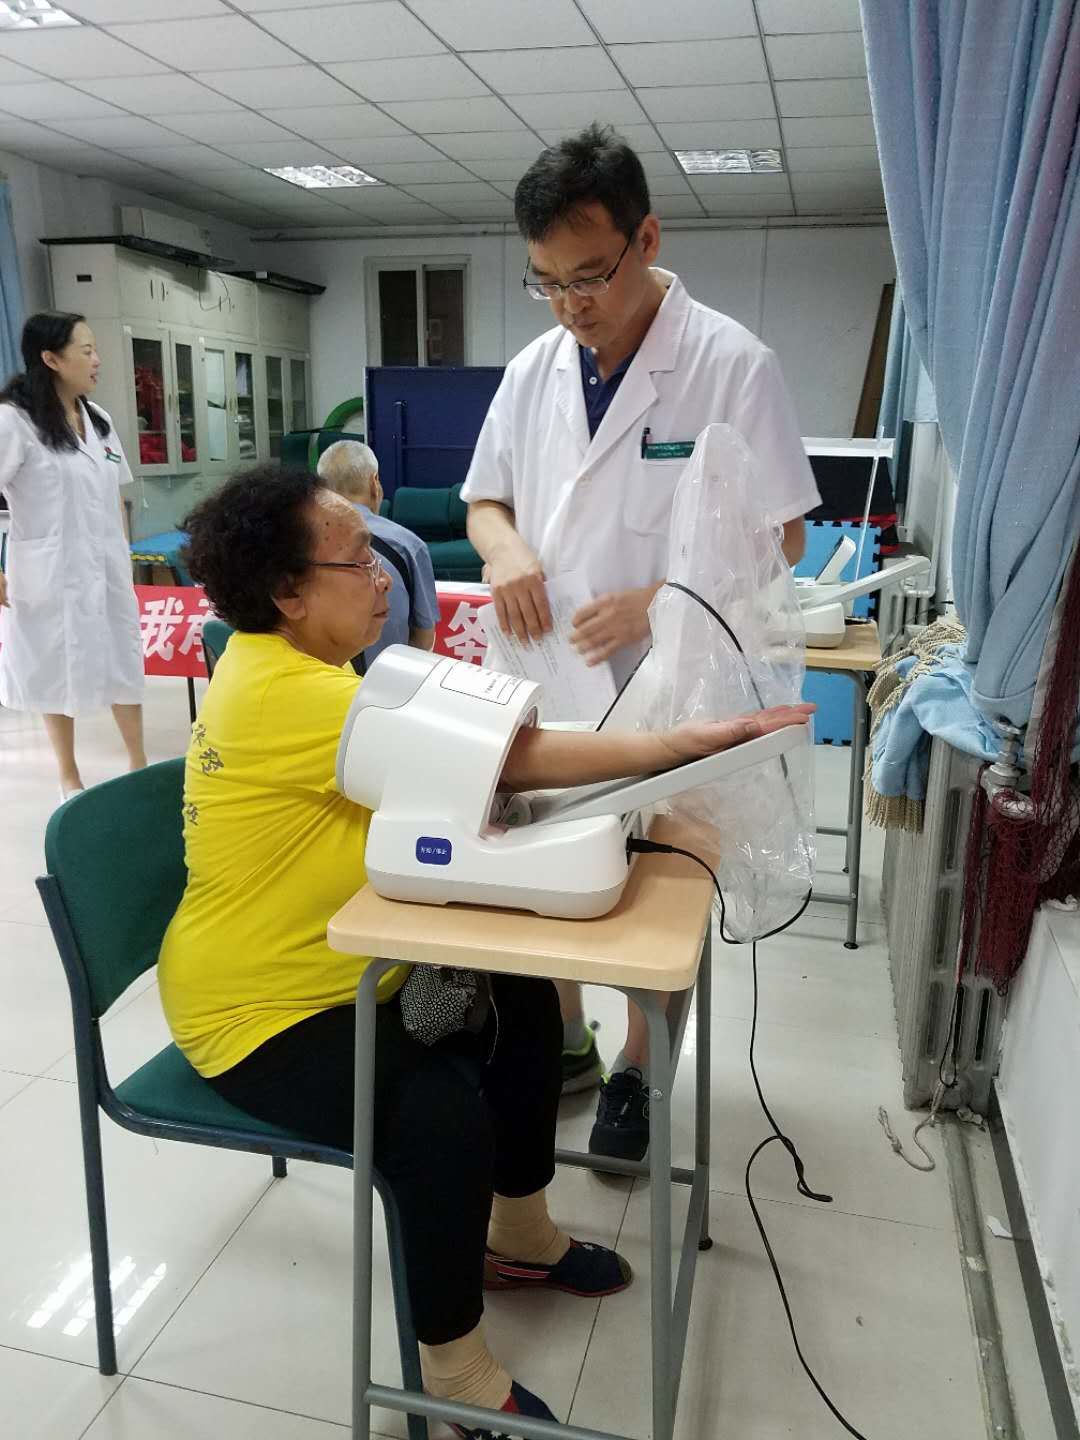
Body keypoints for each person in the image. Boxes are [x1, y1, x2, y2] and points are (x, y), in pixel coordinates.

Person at [158, 464, 811, 1439]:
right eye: (358, 562)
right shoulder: (284, 693)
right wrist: (677, 745)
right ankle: (454, 1376)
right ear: (288, 592)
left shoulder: (317, 672)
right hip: (257, 1016)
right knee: (435, 1118)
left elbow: (474, 758)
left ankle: (519, 1236)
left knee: (520, 996)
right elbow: (511, 759)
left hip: (344, 974)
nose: (384, 578)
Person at [461, 124, 823, 1160]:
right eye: (546, 283)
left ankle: (638, 1068)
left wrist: (661, 601)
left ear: (646, 238)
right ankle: (564, 1039)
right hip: (544, 669)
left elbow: (784, 533)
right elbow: (485, 499)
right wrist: (503, 551)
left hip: (677, 675)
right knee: (540, 862)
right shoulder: (535, 369)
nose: (569, 305)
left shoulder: (730, 363)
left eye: (588, 276)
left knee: (656, 883)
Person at [0, 311, 145, 797]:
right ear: (51, 359)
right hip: (49, 571)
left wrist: (123, 556)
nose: (97, 360)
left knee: (122, 656)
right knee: (53, 664)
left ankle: (138, 762)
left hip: (105, 566)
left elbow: (114, 495)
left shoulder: (98, 420)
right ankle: (68, 775)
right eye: (86, 351)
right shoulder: (14, 421)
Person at [316, 438, 439, 667]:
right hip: (387, 682)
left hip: (319, 681)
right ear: (375, 483)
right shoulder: (407, 545)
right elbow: (424, 637)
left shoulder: (303, 545)